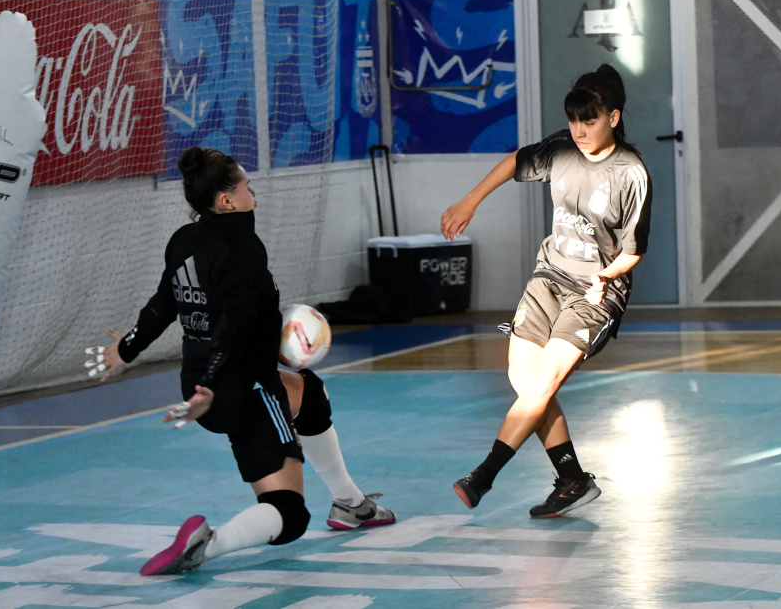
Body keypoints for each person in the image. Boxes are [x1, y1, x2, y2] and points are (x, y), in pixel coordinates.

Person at [84, 147, 393, 575]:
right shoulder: (243, 248)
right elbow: (235, 324)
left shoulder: (185, 240)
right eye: (248, 187)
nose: (254, 194)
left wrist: (126, 350)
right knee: (289, 515)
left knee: (309, 392)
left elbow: (163, 304)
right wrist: (213, 385)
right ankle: (208, 545)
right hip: (244, 389)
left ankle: (350, 504)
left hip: (201, 384)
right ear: (227, 200)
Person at [441, 64, 652, 518]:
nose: (579, 130)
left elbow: (634, 250)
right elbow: (515, 161)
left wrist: (607, 275)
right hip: (549, 278)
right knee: (525, 382)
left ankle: (484, 474)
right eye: (574, 120)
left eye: (589, 121)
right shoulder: (562, 149)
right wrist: (470, 201)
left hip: (596, 292)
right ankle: (572, 479)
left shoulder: (630, 172)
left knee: (542, 383)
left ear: (613, 118)